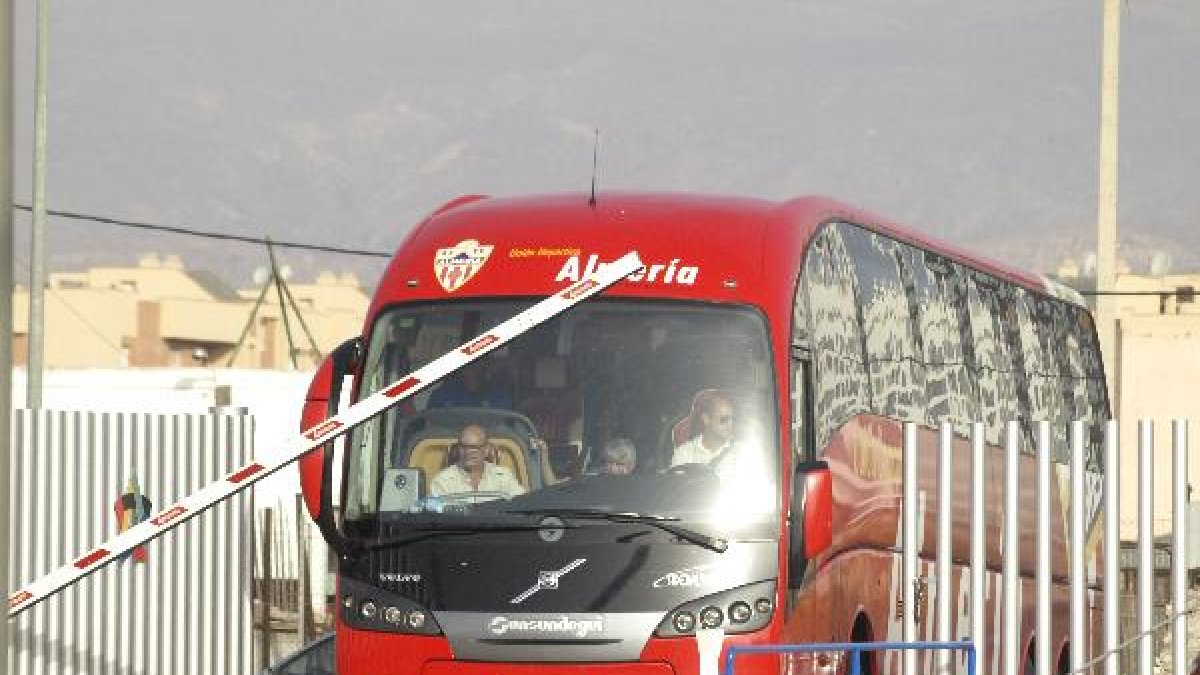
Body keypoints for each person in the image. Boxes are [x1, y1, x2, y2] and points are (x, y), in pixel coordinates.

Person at [430, 423, 525, 498]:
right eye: (463, 447)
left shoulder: (504, 476)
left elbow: (521, 504)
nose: (468, 452)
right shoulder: (442, 481)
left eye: (473, 447)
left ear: (486, 450)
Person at [670, 391, 736, 467]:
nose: (730, 424)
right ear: (706, 419)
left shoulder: (743, 452)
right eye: (724, 419)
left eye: (733, 419)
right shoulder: (684, 454)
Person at [428, 367, 513, 409]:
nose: (471, 369)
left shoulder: (500, 396)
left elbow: (506, 425)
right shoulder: (442, 394)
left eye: (477, 363)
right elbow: (430, 423)